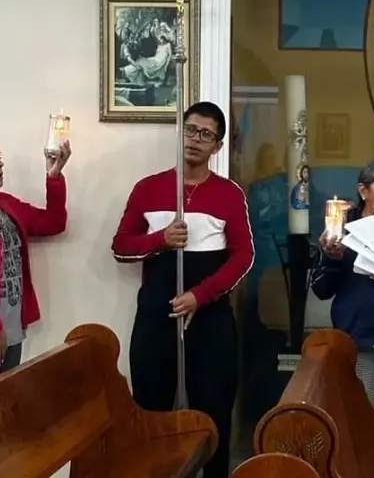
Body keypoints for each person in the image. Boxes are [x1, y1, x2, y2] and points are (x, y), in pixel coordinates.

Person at [111, 101, 254, 478]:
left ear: (217, 146)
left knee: (214, 414)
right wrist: (159, 240)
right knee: (150, 414)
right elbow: (121, 246)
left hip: (210, 319)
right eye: (190, 129)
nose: (195, 139)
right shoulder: (148, 188)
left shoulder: (229, 194)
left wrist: (200, 295)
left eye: (206, 134)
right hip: (156, 320)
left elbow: (243, 256)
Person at [310, 159, 374, 417]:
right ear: (363, 191)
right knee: (362, 414)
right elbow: (321, 290)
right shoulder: (340, 232)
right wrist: (331, 258)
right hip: (358, 337)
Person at [0, 141, 71, 373]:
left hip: (12, 328)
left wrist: (54, 176)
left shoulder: (8, 205)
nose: (1, 165)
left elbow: (53, 222)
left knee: (8, 393)